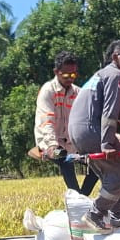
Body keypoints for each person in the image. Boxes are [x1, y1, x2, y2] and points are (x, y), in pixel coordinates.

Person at [68, 39, 120, 231]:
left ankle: (118, 214)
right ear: (115, 57)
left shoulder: (103, 76)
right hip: (90, 129)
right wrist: (106, 143)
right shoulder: (115, 75)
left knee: (111, 174)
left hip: (79, 131)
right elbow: (109, 113)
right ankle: (96, 213)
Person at [30, 51, 97, 195]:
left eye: (73, 75)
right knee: (65, 159)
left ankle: (81, 198)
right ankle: (78, 198)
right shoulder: (48, 91)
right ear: (56, 72)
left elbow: (89, 119)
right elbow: (46, 121)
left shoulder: (79, 93)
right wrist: (52, 145)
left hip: (72, 144)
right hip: (50, 143)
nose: (70, 78)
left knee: (98, 163)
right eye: (66, 75)